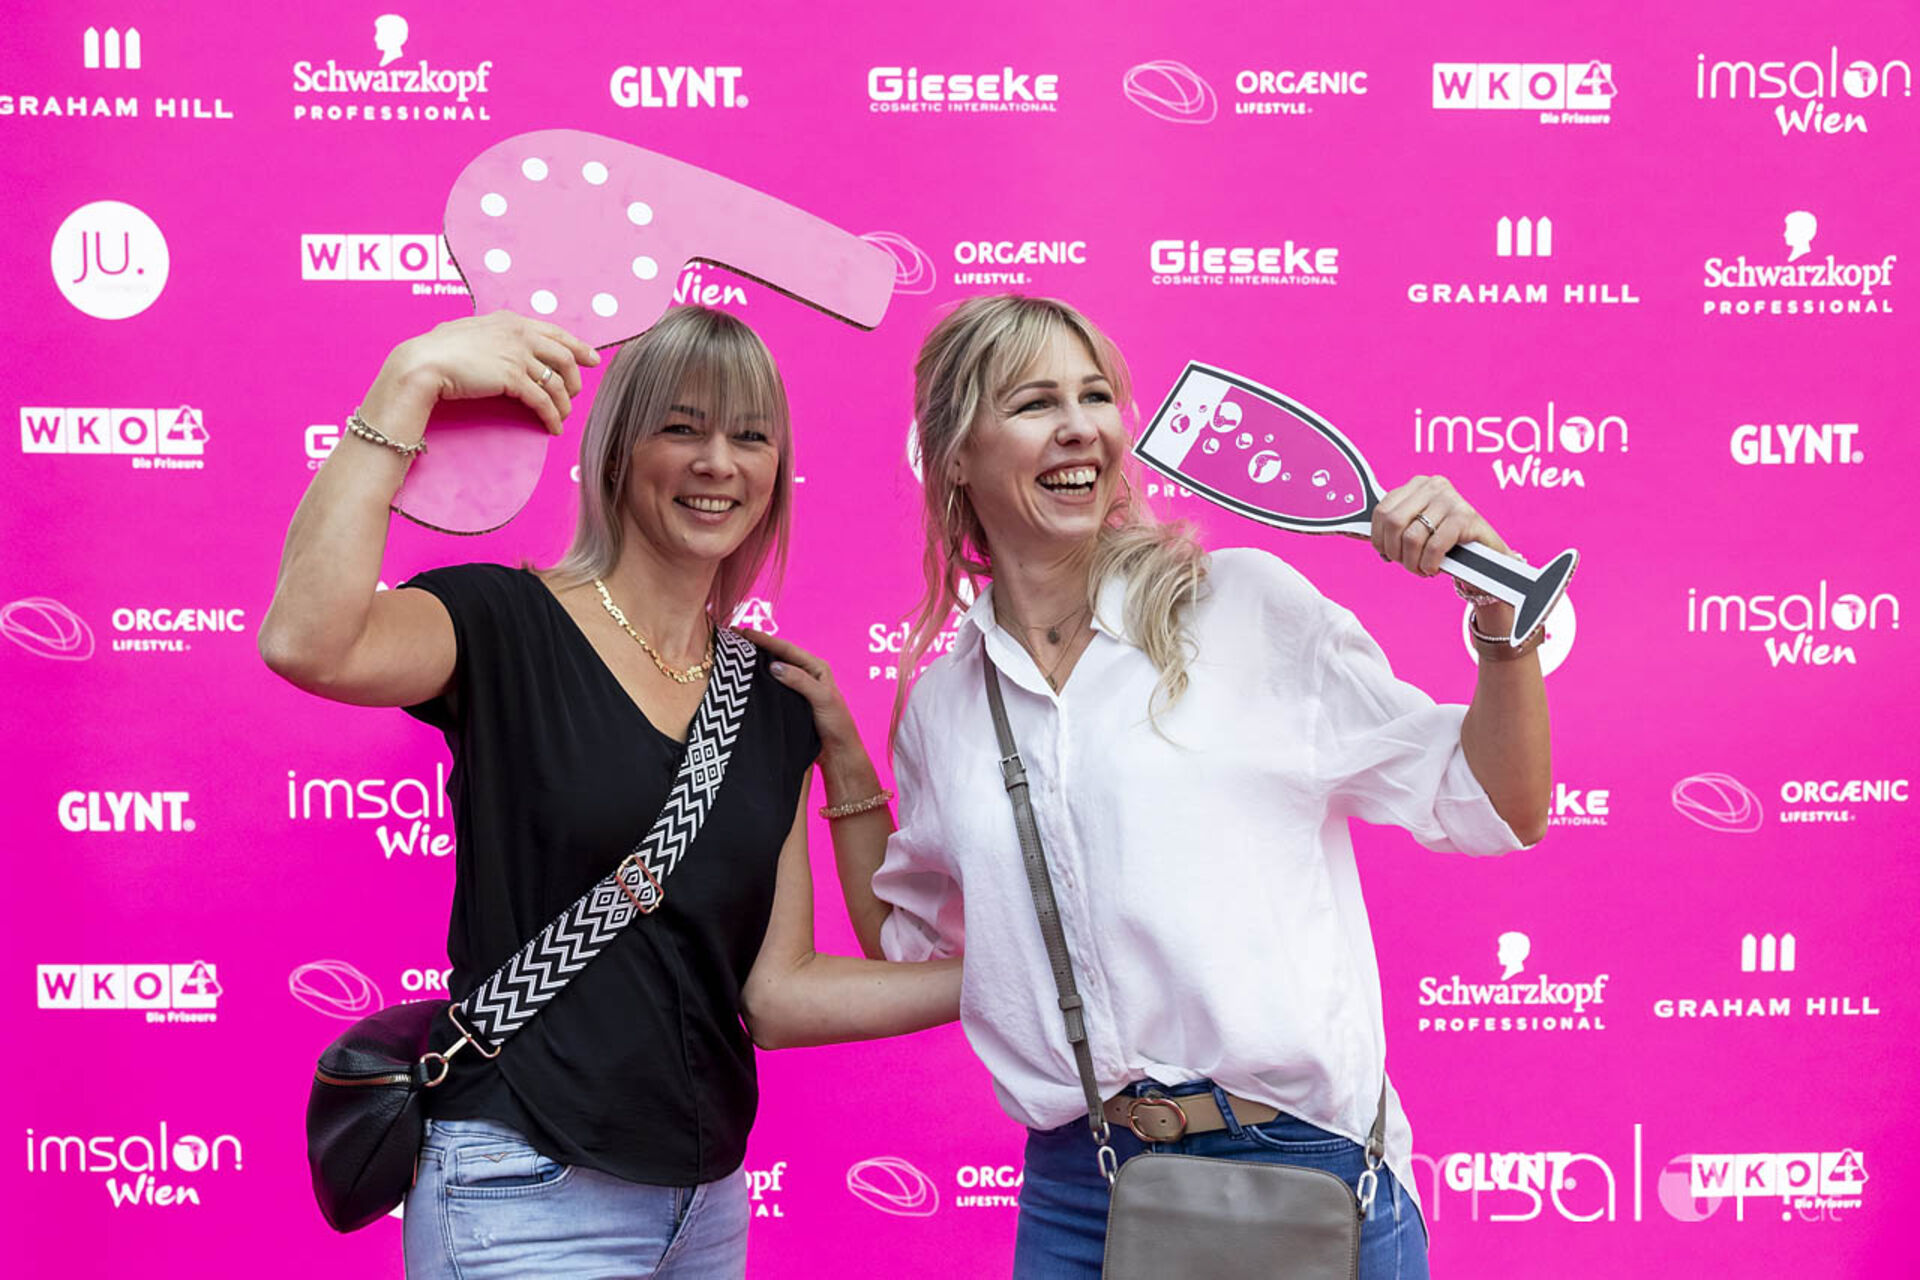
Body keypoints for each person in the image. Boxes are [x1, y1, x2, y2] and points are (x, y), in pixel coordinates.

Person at [756, 295, 1551, 1280]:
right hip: (1079, 1186)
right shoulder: (946, 704)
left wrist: (1501, 624)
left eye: (1096, 396)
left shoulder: (1246, 607)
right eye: (1035, 402)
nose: (1079, 426)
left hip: (1298, 1166)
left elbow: (1497, 801)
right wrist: (844, 759)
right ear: (953, 455)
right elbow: (909, 947)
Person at [259, 306, 959, 1279]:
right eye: (682, 428)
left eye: (750, 436)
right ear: (619, 452)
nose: (718, 462)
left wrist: (1007, 981)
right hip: (521, 1189)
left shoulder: (768, 701)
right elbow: (308, 641)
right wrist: (407, 379)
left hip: (705, 1210)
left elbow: (780, 994)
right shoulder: (504, 622)